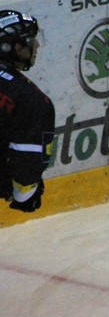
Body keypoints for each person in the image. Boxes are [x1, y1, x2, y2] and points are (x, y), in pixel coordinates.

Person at [0, 11, 55, 215]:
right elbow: (26, 170)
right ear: (14, 47)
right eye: (31, 40)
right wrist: (24, 195)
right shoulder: (31, 101)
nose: (37, 46)